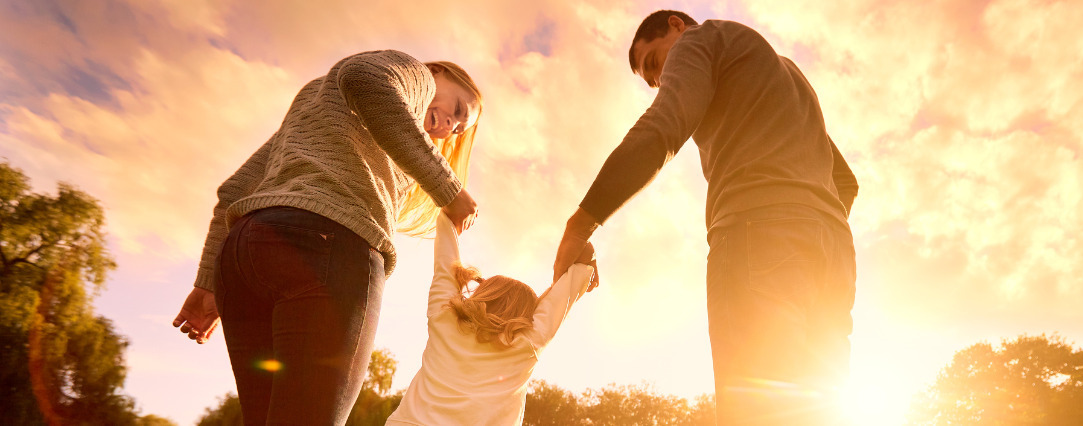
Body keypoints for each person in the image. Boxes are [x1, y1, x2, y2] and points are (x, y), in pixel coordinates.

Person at [551, 10, 859, 425]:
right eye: (652, 80)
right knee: (816, 410)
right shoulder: (783, 72)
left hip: (757, 233)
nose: (661, 79)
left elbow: (663, 127)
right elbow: (845, 182)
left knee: (755, 412)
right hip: (834, 255)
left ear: (676, 25)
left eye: (655, 63)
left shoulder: (701, 39)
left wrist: (579, 226)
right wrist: (809, 228)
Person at [170, 49, 484, 425]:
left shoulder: (319, 100)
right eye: (458, 109)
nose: (450, 125)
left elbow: (236, 189)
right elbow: (364, 77)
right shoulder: (416, 76)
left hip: (242, 258)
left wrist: (208, 283)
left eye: (458, 128)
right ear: (437, 71)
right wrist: (449, 189)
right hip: (328, 246)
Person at [387, 214, 598, 425]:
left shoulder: (444, 316)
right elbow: (582, 256)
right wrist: (574, 273)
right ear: (528, 314)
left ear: (483, 294)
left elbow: (445, 258)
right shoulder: (528, 342)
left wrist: (452, 215)